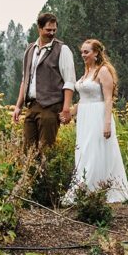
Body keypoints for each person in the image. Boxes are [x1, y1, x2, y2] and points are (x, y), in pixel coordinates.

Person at [63, 39, 128, 204]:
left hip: (98, 116)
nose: (83, 55)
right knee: (84, 151)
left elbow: (108, 99)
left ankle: (95, 189)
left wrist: (107, 123)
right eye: (82, 52)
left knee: (94, 151)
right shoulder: (87, 71)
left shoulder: (103, 71)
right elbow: (83, 99)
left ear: (96, 53)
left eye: (86, 52)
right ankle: (85, 190)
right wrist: (69, 113)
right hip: (85, 118)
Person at [12, 12, 76, 151]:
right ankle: (30, 174)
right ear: (39, 28)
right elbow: (25, 79)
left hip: (51, 107)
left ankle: (47, 173)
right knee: (28, 151)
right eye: (48, 30)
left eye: (54, 30)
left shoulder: (62, 49)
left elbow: (69, 82)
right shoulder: (30, 49)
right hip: (32, 106)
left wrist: (66, 109)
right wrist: (18, 106)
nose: (52, 33)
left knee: (46, 150)